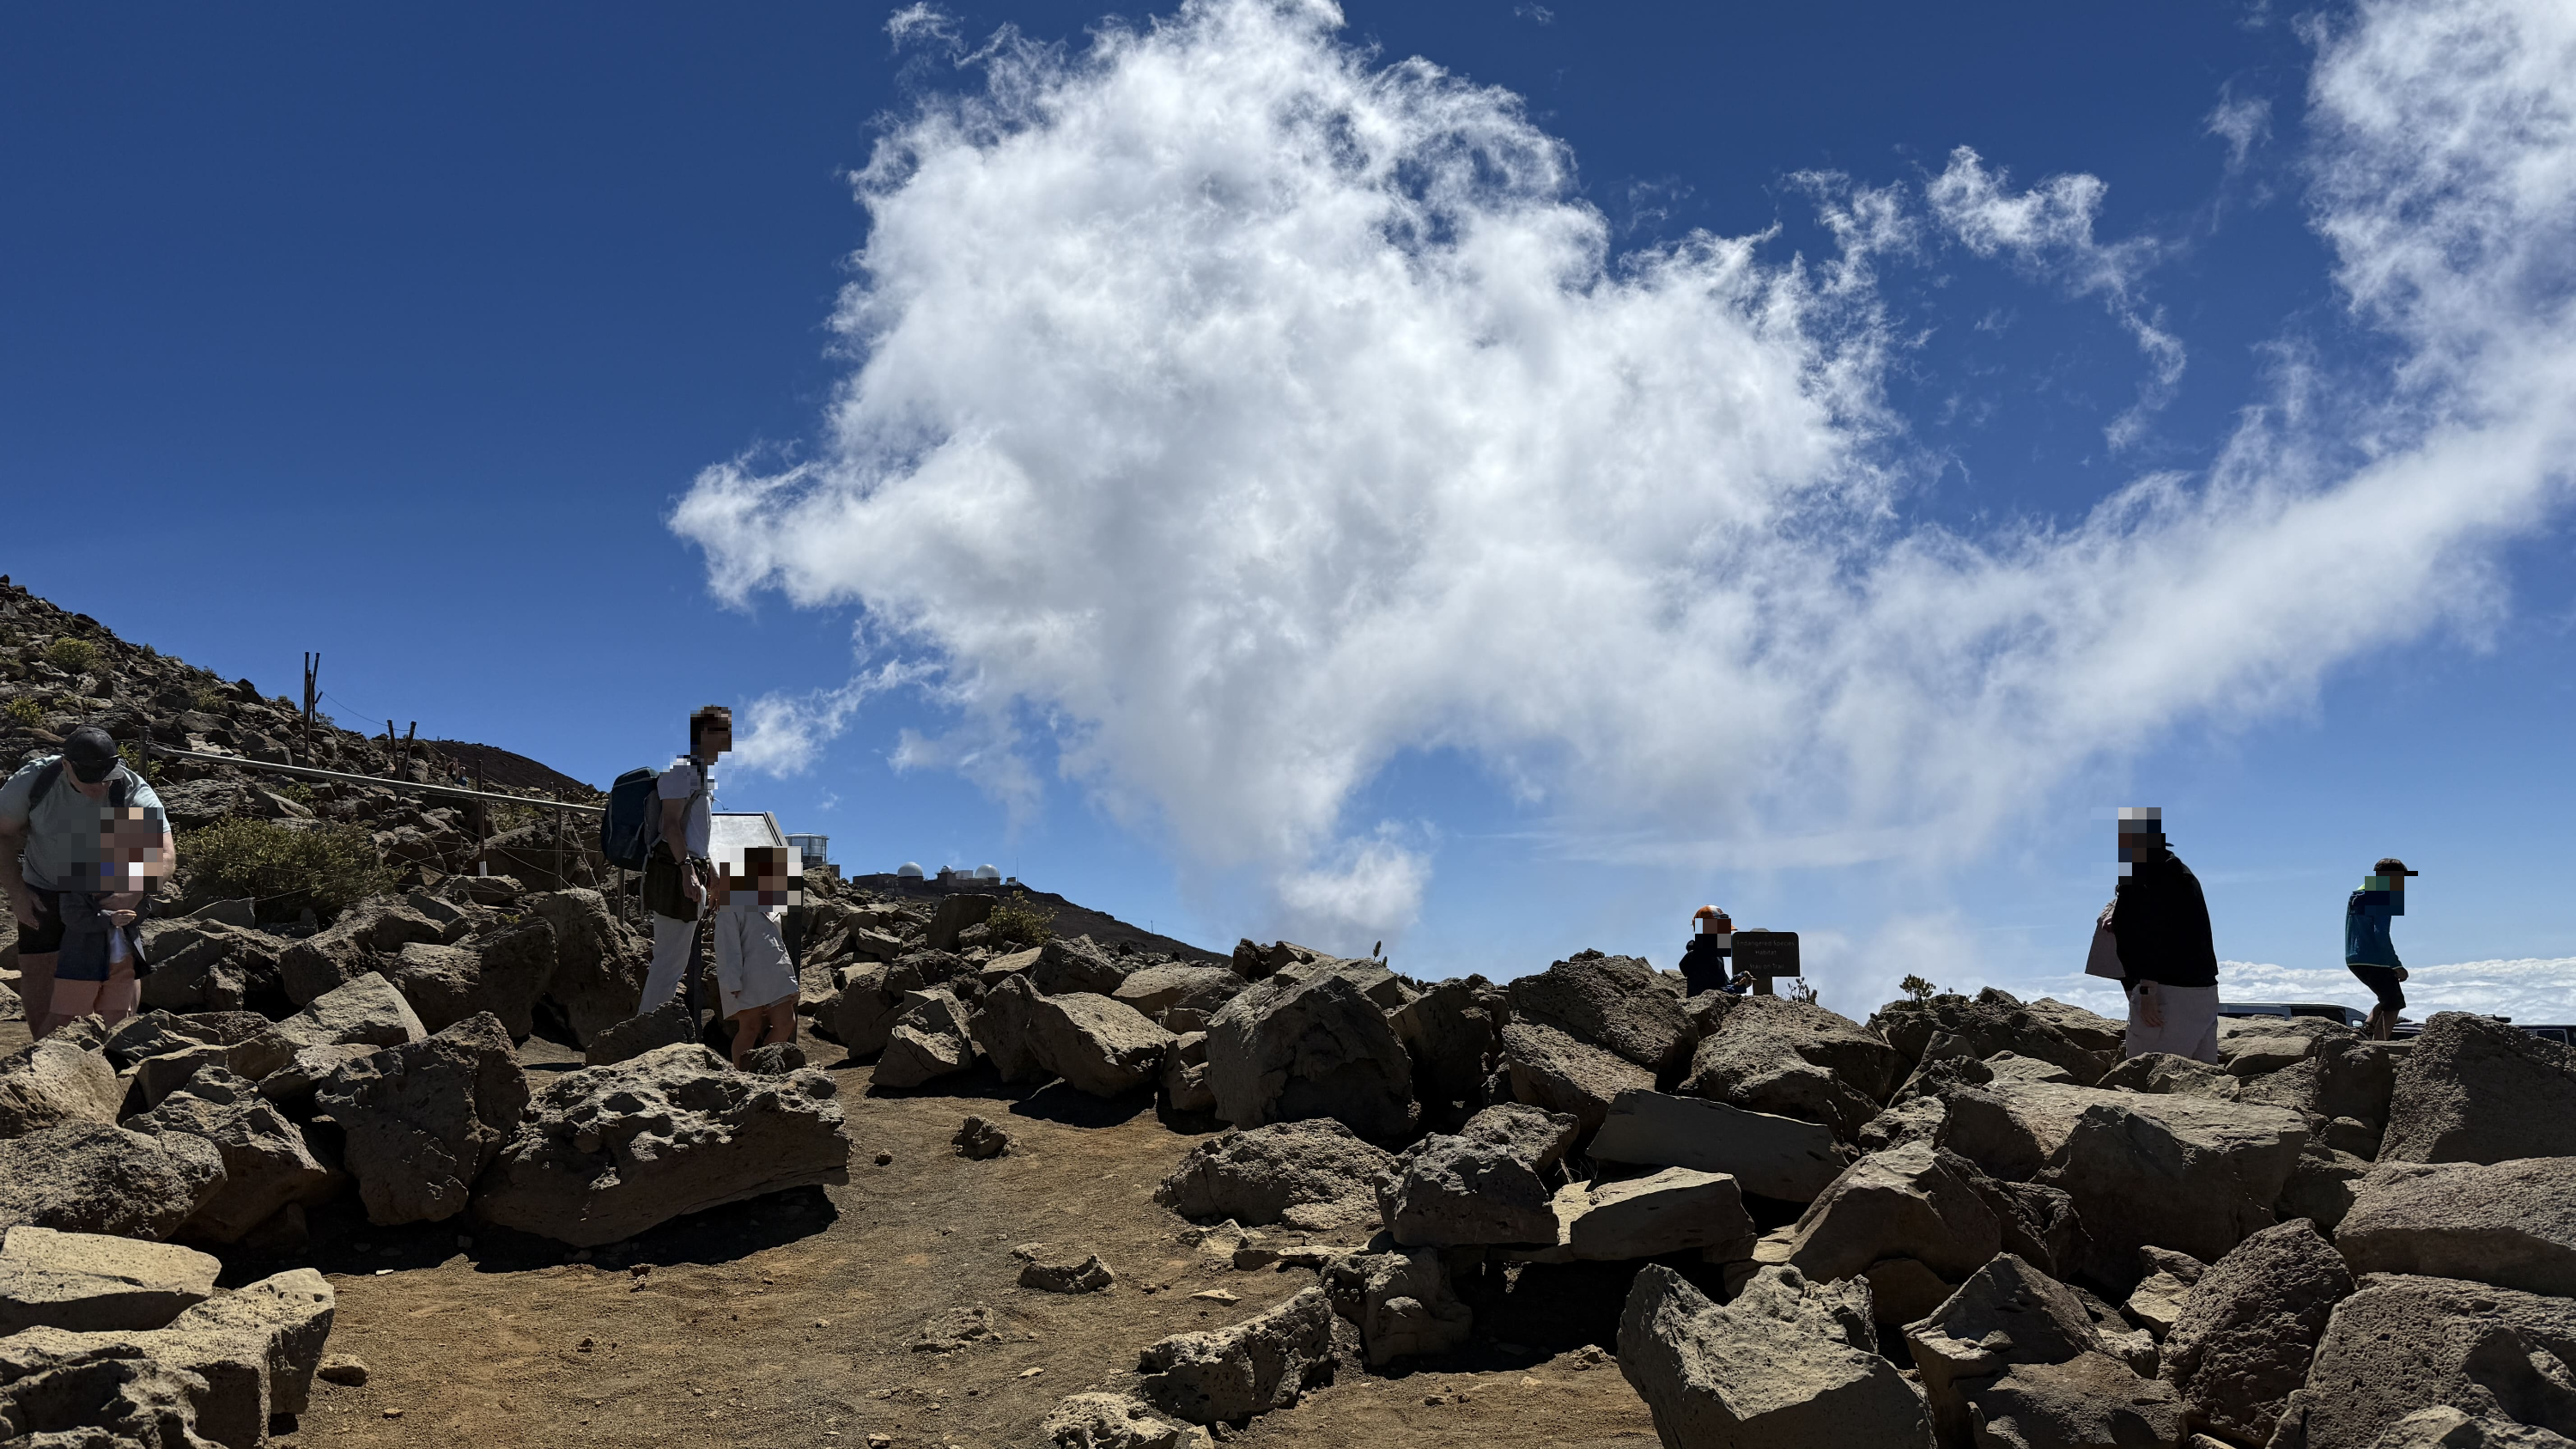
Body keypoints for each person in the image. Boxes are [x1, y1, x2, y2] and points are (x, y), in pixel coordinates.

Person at [0, 726, 173, 1037]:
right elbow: (2, 834)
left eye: (105, 777)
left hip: (106, 886)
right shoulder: (37, 781)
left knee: (119, 962)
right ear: (67, 765)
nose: (99, 788)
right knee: (39, 966)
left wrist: (133, 892)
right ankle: (45, 1048)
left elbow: (164, 856)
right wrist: (18, 894)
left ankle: (119, 1044)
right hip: (45, 885)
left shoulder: (130, 790)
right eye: (89, 780)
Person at [636, 705, 730, 1015]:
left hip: (688, 869)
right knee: (669, 961)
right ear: (704, 733)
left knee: (672, 959)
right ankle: (648, 1030)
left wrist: (710, 871)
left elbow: (694, 832)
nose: (728, 739)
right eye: (722, 731)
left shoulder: (699, 775)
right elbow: (670, 824)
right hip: (676, 871)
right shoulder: (684, 771)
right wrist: (688, 871)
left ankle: (650, 1027)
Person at [2108, 807, 2221, 1062]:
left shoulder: (2144, 876)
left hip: (2168, 993)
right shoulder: (2179, 872)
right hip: (2203, 990)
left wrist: (2147, 990)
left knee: (2148, 1078)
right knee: (2199, 1082)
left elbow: (2153, 934)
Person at [712, 844, 800, 1067]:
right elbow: (726, 947)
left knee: (786, 1022)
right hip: (746, 978)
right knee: (750, 1027)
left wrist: (788, 978)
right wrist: (732, 980)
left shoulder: (774, 906)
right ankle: (743, 1076)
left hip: (775, 974)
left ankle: (763, 1067)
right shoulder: (730, 908)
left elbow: (774, 943)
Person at [2346, 857, 2417, 1041]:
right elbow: (2381, 934)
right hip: (2374, 958)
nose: (2401, 884)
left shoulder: (2360, 892)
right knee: (2394, 1004)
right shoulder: (2385, 894)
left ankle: (2365, 1030)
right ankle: (2378, 1045)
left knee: (2388, 997)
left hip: (2354, 957)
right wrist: (2395, 964)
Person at [1680, 905, 1747, 997]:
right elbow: (1705, 994)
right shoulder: (1696, 958)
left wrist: (1738, 979)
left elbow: (1721, 985)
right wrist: (1733, 989)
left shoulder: (1717, 956)